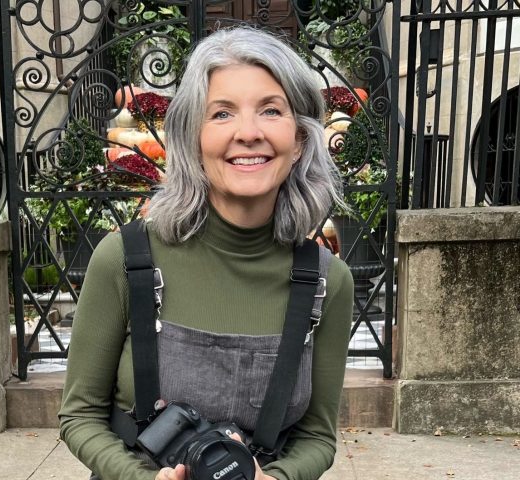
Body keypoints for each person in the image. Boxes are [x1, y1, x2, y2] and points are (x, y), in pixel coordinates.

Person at [59, 26, 354, 480]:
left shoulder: (327, 282)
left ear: (298, 141)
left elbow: (317, 436)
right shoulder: (125, 259)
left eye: (271, 110)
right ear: (193, 139)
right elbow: (79, 416)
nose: (248, 133)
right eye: (221, 114)